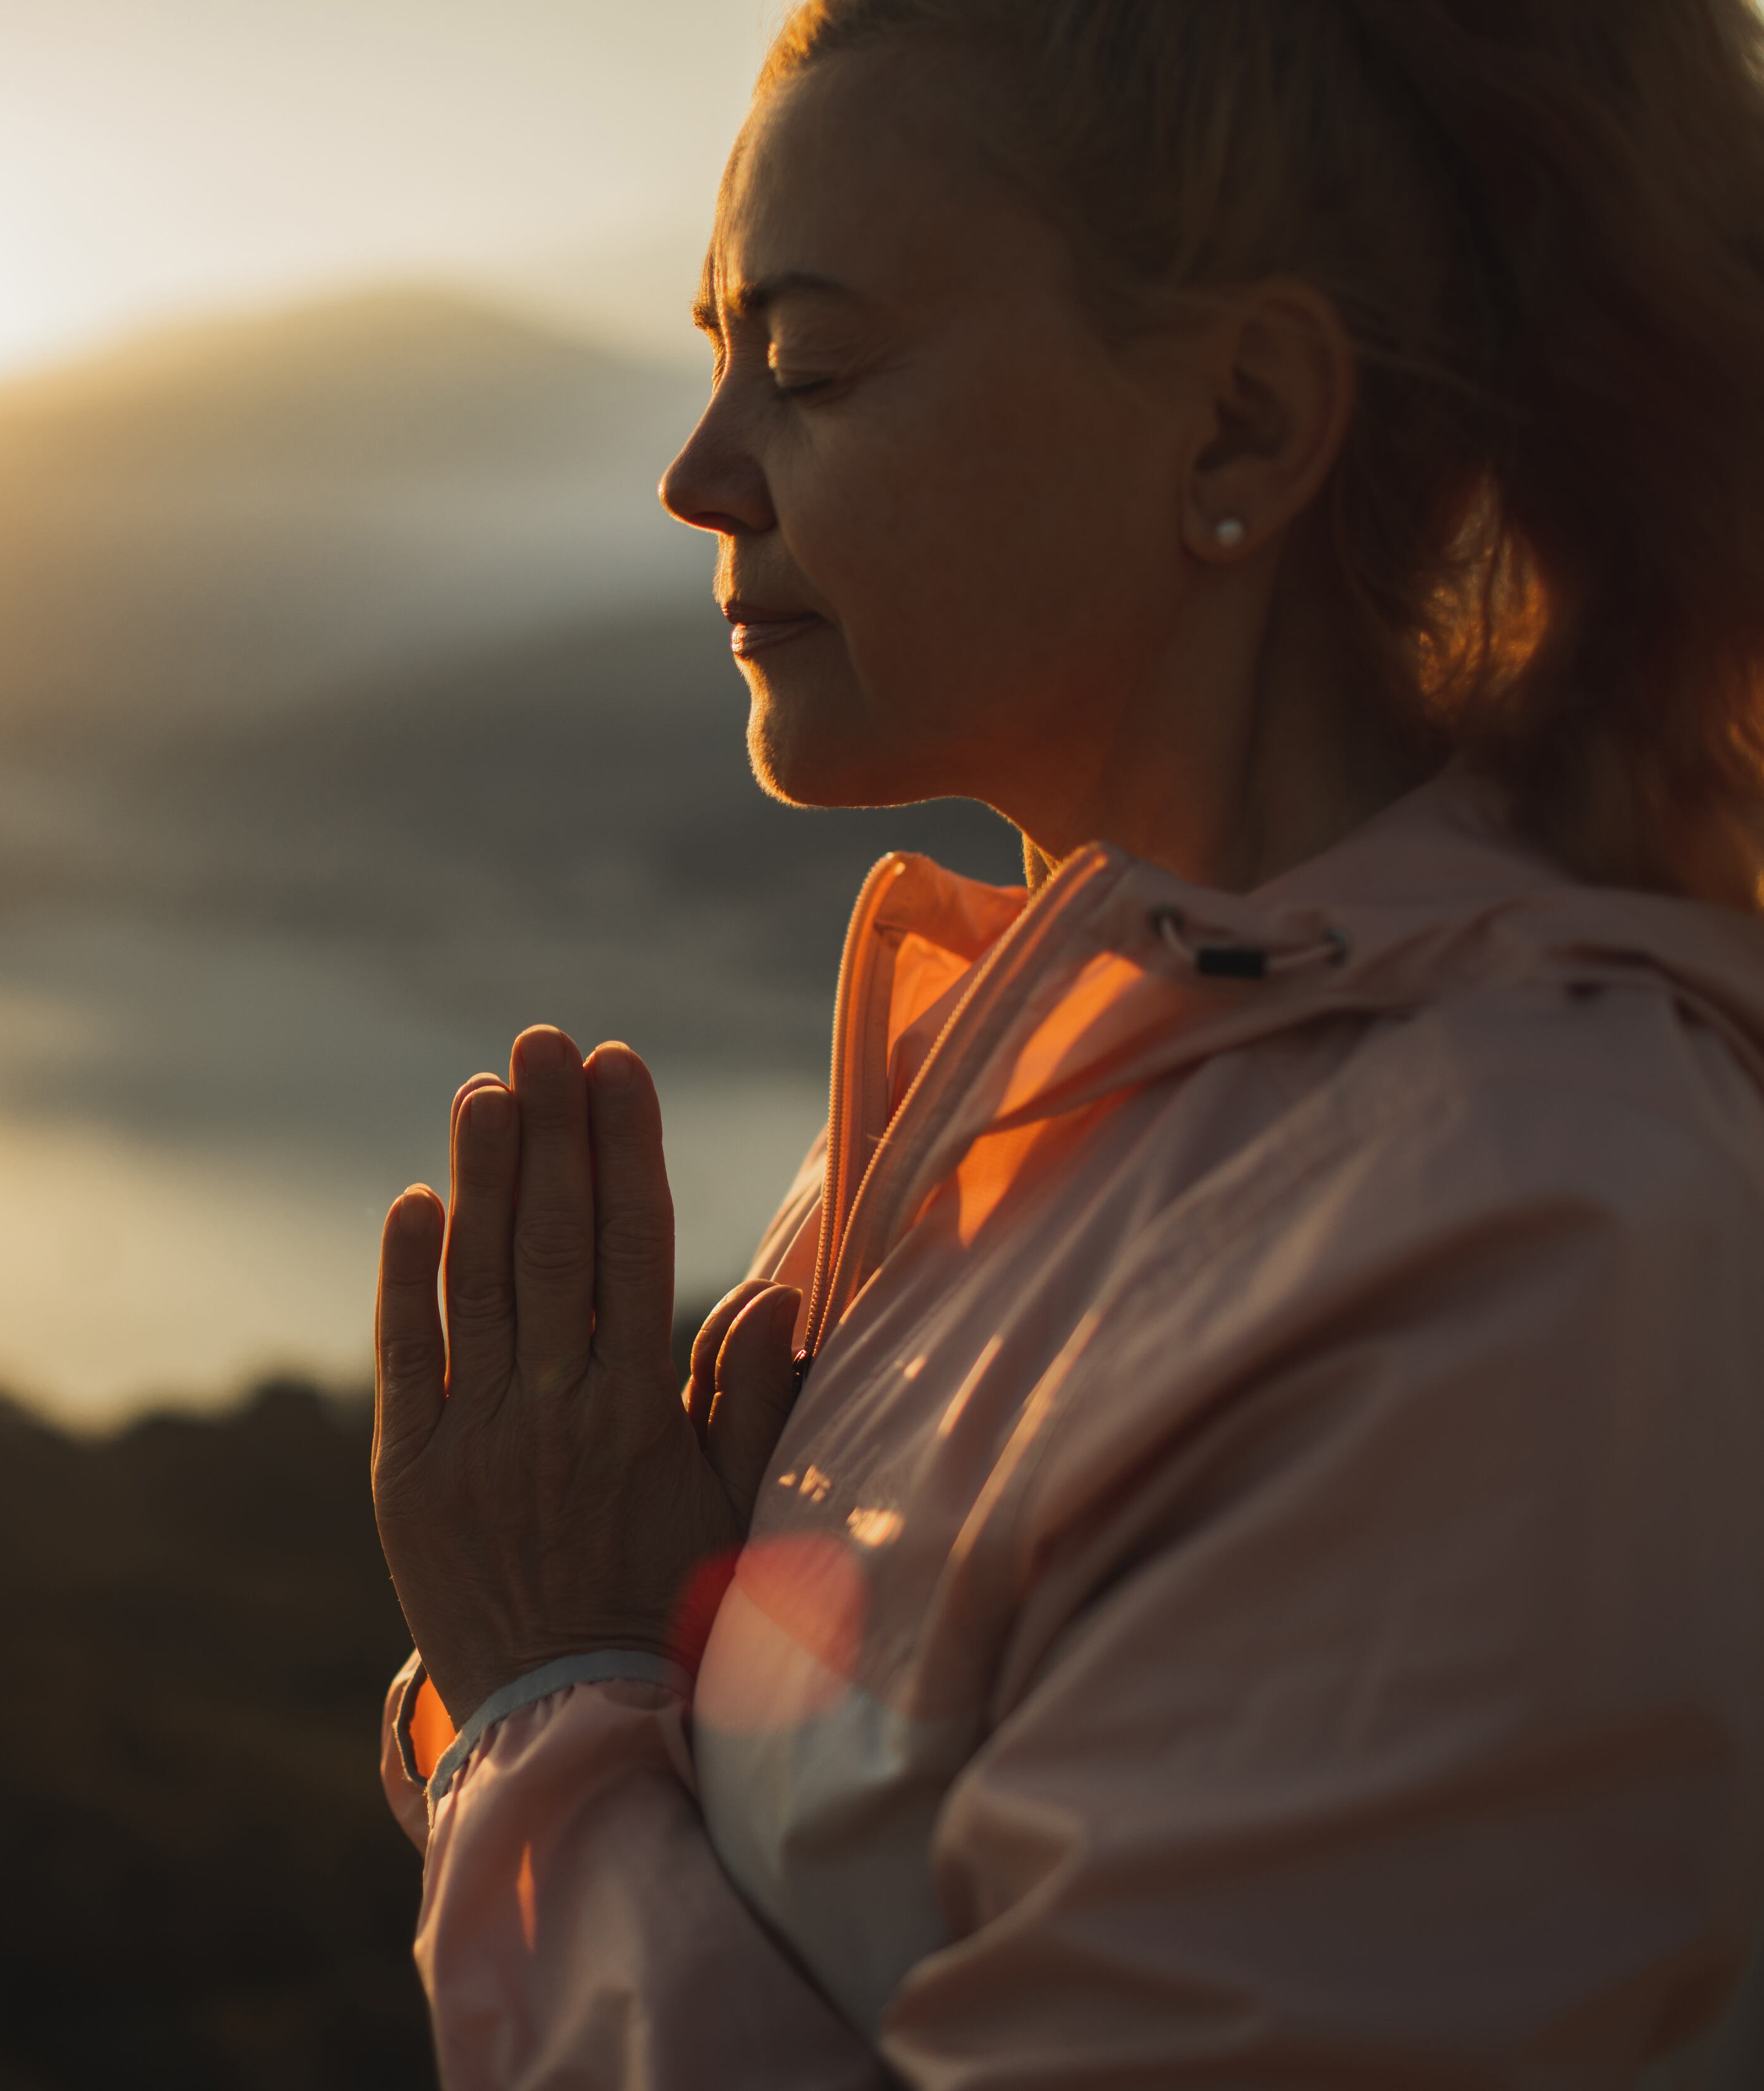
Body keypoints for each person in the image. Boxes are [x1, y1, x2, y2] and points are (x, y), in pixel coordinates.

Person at [365, 3, 1764, 2084]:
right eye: (721, 353)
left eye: (810, 366)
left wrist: (548, 1705)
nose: (699, 473)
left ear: (1242, 425)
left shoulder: (1525, 1244)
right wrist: (648, 1659)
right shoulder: (1053, 1099)